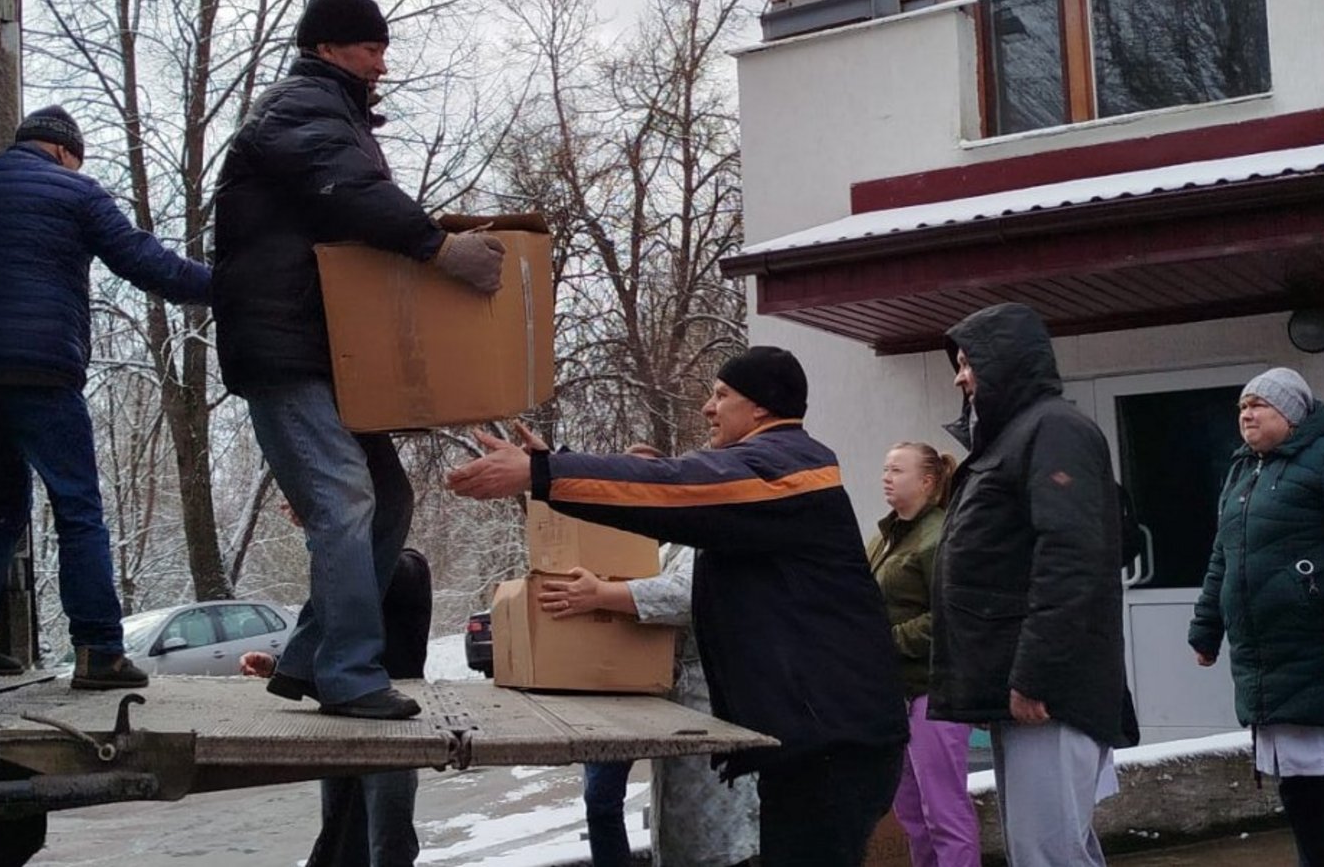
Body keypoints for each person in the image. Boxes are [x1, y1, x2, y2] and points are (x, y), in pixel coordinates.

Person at [448, 346, 908, 867]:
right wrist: (559, 464)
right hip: (819, 736)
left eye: (720, 395)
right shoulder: (774, 470)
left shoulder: (785, 469)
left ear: (759, 407)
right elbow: (669, 490)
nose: (708, 408)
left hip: (834, 739)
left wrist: (546, 472)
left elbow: (672, 487)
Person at [211, 0, 504, 719]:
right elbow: (350, 191)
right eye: (372, 48)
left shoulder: (328, 113)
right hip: (286, 351)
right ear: (327, 48)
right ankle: (347, 674)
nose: (382, 63)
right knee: (344, 499)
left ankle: (310, 659)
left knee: (388, 500)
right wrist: (438, 247)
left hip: (328, 352)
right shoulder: (301, 111)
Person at [0, 105, 210, 688]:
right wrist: (227, 287)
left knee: (0, 506)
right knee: (77, 509)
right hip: (43, 370)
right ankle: (99, 649)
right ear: (67, 153)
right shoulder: (77, 193)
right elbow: (144, 262)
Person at [928, 303, 1128, 867]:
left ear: (1006, 362)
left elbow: (1070, 558)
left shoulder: (1054, 431)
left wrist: (1036, 673)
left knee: (1048, 854)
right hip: (1026, 690)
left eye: (969, 362)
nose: (959, 376)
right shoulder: (1017, 436)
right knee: (1047, 851)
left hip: (1051, 692)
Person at [1190, 367, 1324, 867]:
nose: (1247, 415)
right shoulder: (1241, 472)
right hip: (1269, 662)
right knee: (1301, 797)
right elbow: (1225, 556)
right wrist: (1206, 627)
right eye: (1242, 407)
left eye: (1260, 405)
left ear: (1294, 413)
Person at [542, 445, 760, 867]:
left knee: (716, 832)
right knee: (678, 823)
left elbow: (685, 595)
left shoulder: (703, 533)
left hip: (710, 698)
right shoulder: (665, 545)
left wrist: (603, 594)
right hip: (673, 703)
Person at [242, 547, 432, 866]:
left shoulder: (407, 568)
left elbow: (379, 569)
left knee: (389, 847)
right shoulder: (340, 584)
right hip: (341, 725)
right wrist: (277, 667)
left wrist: (335, 517)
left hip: (390, 733)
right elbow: (329, 662)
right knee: (340, 836)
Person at [867, 442, 980, 867]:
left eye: (897, 469)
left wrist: (885, 642)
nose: (886, 477)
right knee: (912, 814)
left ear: (928, 481)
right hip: (895, 693)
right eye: (885, 468)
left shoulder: (941, 536)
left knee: (944, 812)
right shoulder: (884, 535)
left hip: (935, 692)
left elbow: (949, 618)